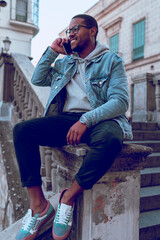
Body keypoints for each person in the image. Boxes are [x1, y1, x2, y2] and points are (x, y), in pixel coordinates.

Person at [13, 14, 132, 240]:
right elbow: (38, 79)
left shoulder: (111, 60)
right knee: (22, 131)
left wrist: (86, 120)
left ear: (93, 31)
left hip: (100, 119)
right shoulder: (65, 62)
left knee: (111, 139)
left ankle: (68, 197)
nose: (71, 34)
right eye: (69, 31)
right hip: (67, 119)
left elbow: (120, 102)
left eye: (76, 29)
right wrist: (51, 51)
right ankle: (38, 206)